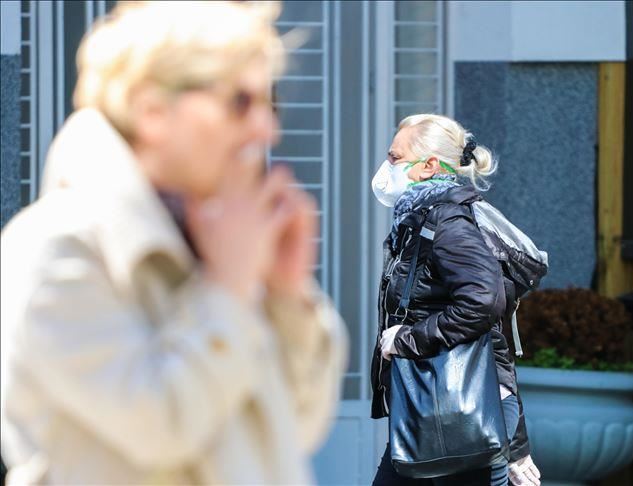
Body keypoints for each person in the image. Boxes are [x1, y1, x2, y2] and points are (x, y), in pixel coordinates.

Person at [0, 2, 347, 484]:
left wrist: (288, 297)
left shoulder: (214, 239)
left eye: (271, 103)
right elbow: (158, 426)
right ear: (153, 111)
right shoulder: (56, 246)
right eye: (240, 102)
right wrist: (229, 291)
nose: (267, 130)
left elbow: (297, 427)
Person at [369, 114, 546, 486]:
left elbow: (482, 302)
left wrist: (407, 339)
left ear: (429, 165)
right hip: (431, 403)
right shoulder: (418, 222)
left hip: (462, 408)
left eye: (395, 157)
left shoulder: (449, 224)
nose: (387, 166)